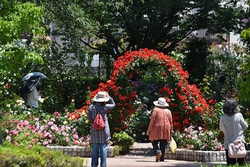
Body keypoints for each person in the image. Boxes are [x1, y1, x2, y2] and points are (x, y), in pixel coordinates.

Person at [88, 91, 116, 167]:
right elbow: (113, 104)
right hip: (104, 131)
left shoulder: (91, 107)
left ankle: (94, 165)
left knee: (95, 149)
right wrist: (109, 97)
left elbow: (89, 118)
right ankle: (103, 165)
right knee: (103, 148)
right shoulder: (105, 107)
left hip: (94, 131)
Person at [219, 99, 248, 166]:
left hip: (228, 144)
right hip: (240, 144)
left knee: (230, 164)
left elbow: (221, 129)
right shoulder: (239, 115)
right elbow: (245, 126)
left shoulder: (222, 118)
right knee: (242, 163)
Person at [146, 97, 173, 162]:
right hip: (166, 128)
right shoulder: (168, 111)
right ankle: (162, 158)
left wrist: (148, 130)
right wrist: (171, 130)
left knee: (154, 141)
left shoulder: (155, 110)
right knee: (163, 143)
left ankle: (158, 151)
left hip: (156, 127)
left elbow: (152, 120)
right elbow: (171, 121)